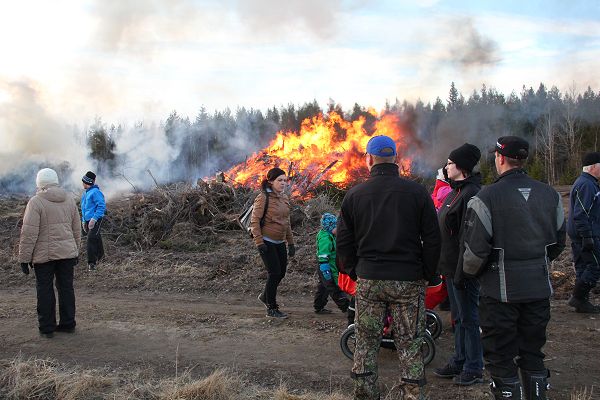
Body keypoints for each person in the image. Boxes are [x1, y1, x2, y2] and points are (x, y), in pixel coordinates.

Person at [336, 135, 441, 400]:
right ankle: (412, 396)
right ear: (396, 158)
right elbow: (432, 238)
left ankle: (366, 394)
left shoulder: (355, 195)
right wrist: (428, 274)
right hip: (408, 280)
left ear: (369, 159)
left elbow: (344, 243)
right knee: (410, 345)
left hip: (370, 279)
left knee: (366, 344)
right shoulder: (417, 193)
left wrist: (353, 271)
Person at [462, 136, 565, 400]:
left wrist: (474, 275)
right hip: (538, 290)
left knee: (501, 356)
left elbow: (474, 253)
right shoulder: (550, 194)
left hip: (500, 294)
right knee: (533, 353)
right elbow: (558, 242)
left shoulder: (486, 198)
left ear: (499, 158)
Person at [433, 143, 484, 386]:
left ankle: (474, 366)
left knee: (469, 318)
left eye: (451, 163)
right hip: (451, 268)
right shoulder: (456, 191)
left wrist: (464, 270)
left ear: (462, 167)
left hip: (463, 269)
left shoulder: (471, 194)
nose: (447, 167)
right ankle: (459, 359)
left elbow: (470, 237)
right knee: (459, 318)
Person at [18, 168, 81, 338]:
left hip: (44, 256)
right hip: (67, 254)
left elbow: (29, 233)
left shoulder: (36, 202)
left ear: (39, 183)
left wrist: (24, 258)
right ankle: (68, 324)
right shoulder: (69, 200)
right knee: (66, 288)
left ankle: (47, 328)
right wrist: (76, 250)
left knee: (45, 290)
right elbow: (76, 229)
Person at [251, 167, 295, 319]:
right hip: (267, 242)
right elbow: (254, 221)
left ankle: (265, 296)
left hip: (280, 241)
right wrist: (259, 242)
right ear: (270, 181)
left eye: (285, 180)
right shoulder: (263, 197)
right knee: (274, 273)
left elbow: (286, 222)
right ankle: (271, 307)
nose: (283, 183)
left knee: (281, 273)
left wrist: (291, 243)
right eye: (279, 180)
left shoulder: (284, 198)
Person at [567, 152, 600, 314]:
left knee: (583, 266)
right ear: (594, 167)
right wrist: (587, 236)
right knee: (595, 266)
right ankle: (578, 298)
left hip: (580, 233)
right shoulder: (587, 185)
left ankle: (582, 302)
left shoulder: (587, 183)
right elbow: (580, 213)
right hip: (585, 234)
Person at [313, 213, 350, 314]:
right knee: (334, 287)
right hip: (326, 267)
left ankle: (318, 306)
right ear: (330, 227)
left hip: (332, 266)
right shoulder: (325, 238)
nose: (338, 229)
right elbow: (323, 255)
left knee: (323, 287)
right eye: (336, 227)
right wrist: (325, 269)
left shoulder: (332, 235)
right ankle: (346, 307)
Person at [81, 171, 106, 271]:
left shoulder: (96, 192)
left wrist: (94, 218)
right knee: (96, 237)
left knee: (91, 238)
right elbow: (83, 209)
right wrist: (83, 220)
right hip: (87, 220)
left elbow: (101, 206)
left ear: (87, 182)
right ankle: (101, 258)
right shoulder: (85, 194)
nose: (82, 183)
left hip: (96, 220)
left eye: (83, 182)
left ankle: (92, 263)